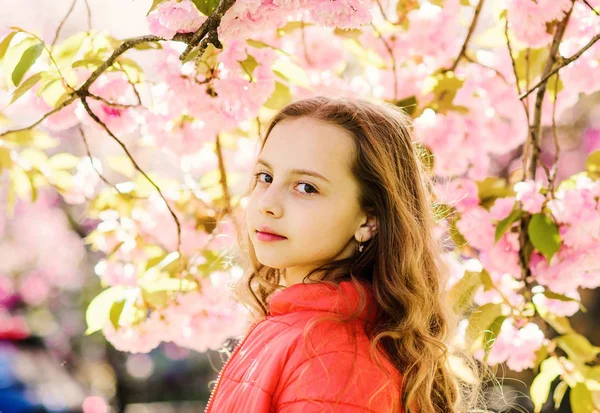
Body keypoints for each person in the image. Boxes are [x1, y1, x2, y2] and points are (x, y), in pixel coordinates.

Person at [203, 96, 484, 412]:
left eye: (306, 187)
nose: (268, 202)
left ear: (369, 219)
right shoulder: (298, 329)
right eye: (265, 177)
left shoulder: (331, 356)